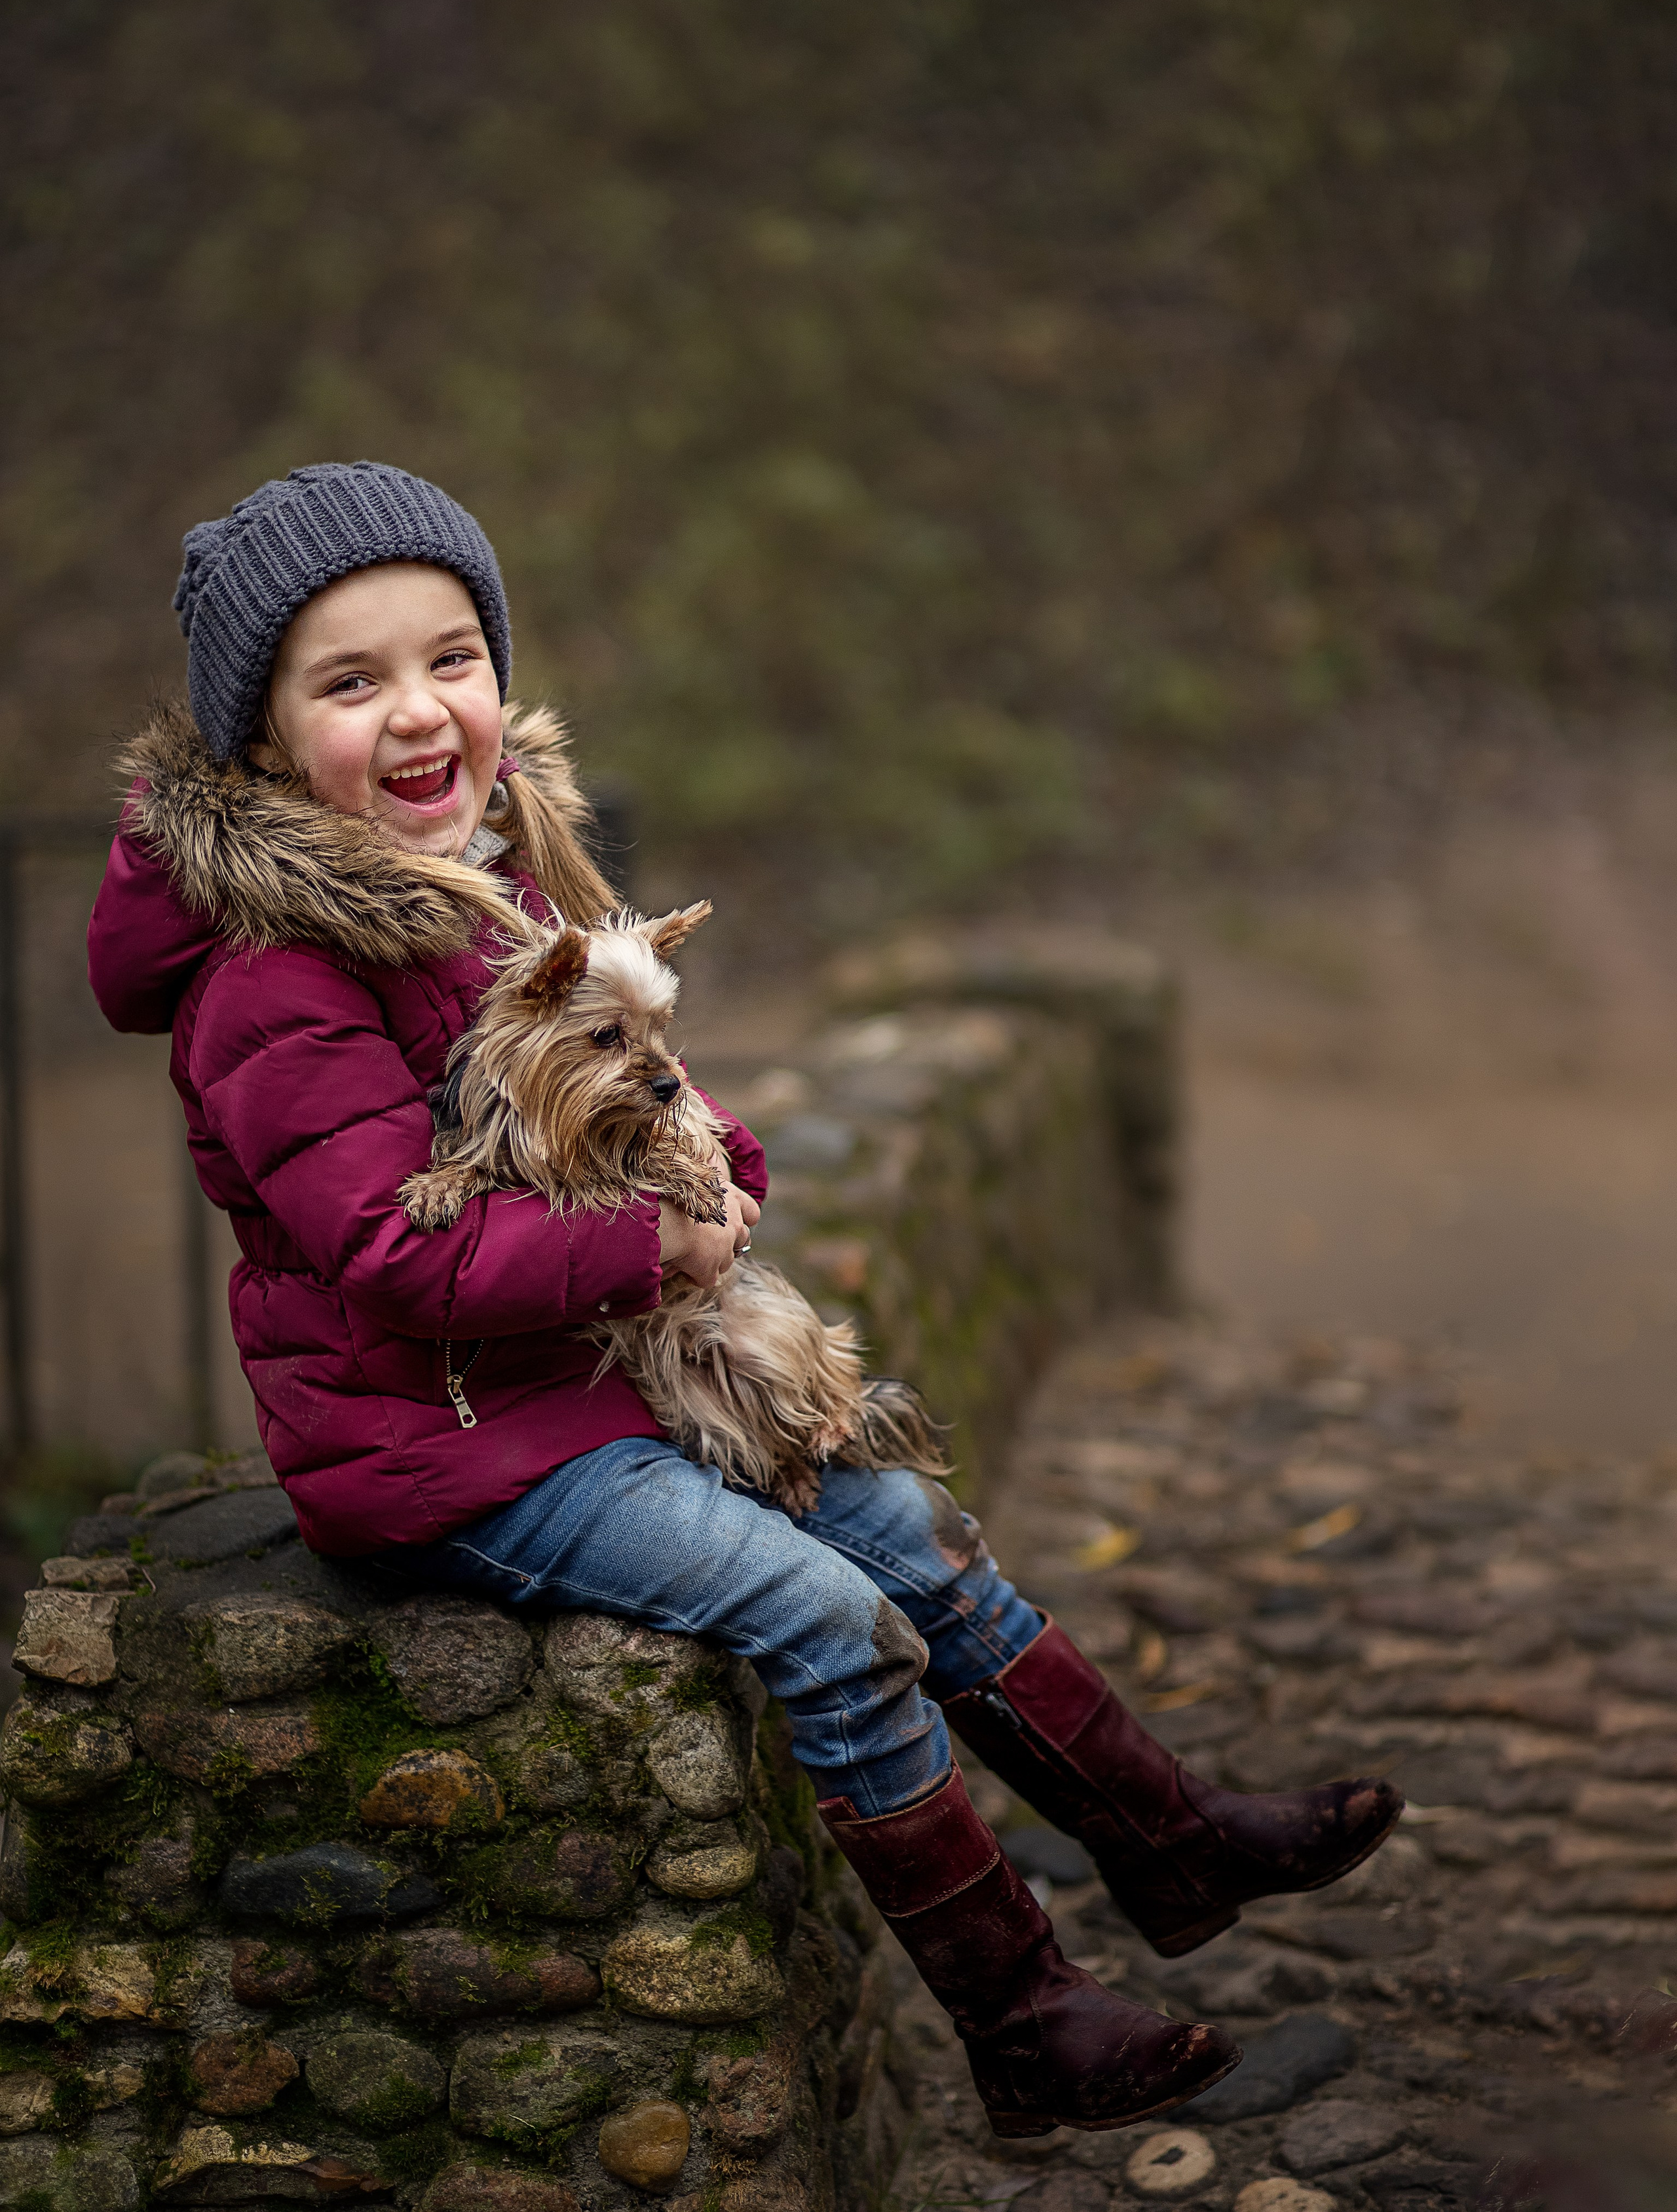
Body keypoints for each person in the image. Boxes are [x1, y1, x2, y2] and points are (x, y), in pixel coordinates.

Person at [87, 461, 1400, 2138]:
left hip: (591, 1385)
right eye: (351, 682)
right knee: (823, 1614)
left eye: (450, 658)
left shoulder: (501, 887)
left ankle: (1168, 1838)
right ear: (266, 745)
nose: (417, 711)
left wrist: (724, 1176)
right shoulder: (275, 982)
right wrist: (665, 1254)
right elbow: (400, 1260)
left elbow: (660, 1096)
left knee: (906, 1529)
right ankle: (1022, 2021)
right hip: (447, 1450)